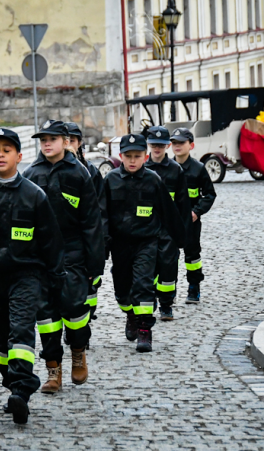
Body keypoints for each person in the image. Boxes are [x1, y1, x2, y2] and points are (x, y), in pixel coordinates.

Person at [0, 128, 65, 424]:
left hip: (27, 274)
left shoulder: (34, 195)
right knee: (3, 338)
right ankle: (13, 386)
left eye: (6, 149)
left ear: (19, 157)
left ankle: (21, 391)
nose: (0, 154)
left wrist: (54, 278)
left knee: (21, 330)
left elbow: (51, 240)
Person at [22, 120, 104, 392]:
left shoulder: (79, 173)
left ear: (65, 141)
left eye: (52, 138)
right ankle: (53, 370)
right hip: (40, 254)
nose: (47, 143)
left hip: (73, 252)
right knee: (45, 315)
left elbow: (92, 222)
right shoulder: (31, 174)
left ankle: (78, 351)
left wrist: (95, 263)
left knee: (75, 310)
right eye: (43, 139)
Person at [99, 134, 185, 352]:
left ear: (145, 157)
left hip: (147, 242)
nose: (133, 160)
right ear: (120, 157)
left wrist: (181, 239)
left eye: (137, 156)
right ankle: (131, 315)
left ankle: (145, 330)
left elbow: (169, 211)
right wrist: (101, 245)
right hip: (120, 244)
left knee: (143, 284)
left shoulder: (153, 180)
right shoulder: (110, 180)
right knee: (122, 289)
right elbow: (102, 215)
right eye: (128, 156)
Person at [143, 126, 191, 321]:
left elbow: (183, 205)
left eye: (160, 146)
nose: (156, 149)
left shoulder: (175, 170)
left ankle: (166, 304)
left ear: (167, 146)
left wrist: (182, 234)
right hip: (147, 229)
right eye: (153, 145)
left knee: (168, 269)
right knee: (148, 268)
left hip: (168, 229)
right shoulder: (142, 169)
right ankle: (151, 298)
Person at [170, 128, 217, 304]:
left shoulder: (198, 169)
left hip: (191, 222)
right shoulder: (167, 168)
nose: (177, 146)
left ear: (191, 145)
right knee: (169, 257)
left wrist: (196, 212)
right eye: (174, 143)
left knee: (192, 256)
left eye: (181, 143)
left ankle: (194, 286)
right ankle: (169, 290)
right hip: (171, 223)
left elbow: (209, 195)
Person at [64, 122, 104, 321]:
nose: (68, 145)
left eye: (72, 140)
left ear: (79, 143)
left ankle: (84, 320)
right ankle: (77, 326)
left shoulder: (91, 172)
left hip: (88, 237)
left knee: (90, 283)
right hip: (67, 241)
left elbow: (100, 209)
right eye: (65, 140)